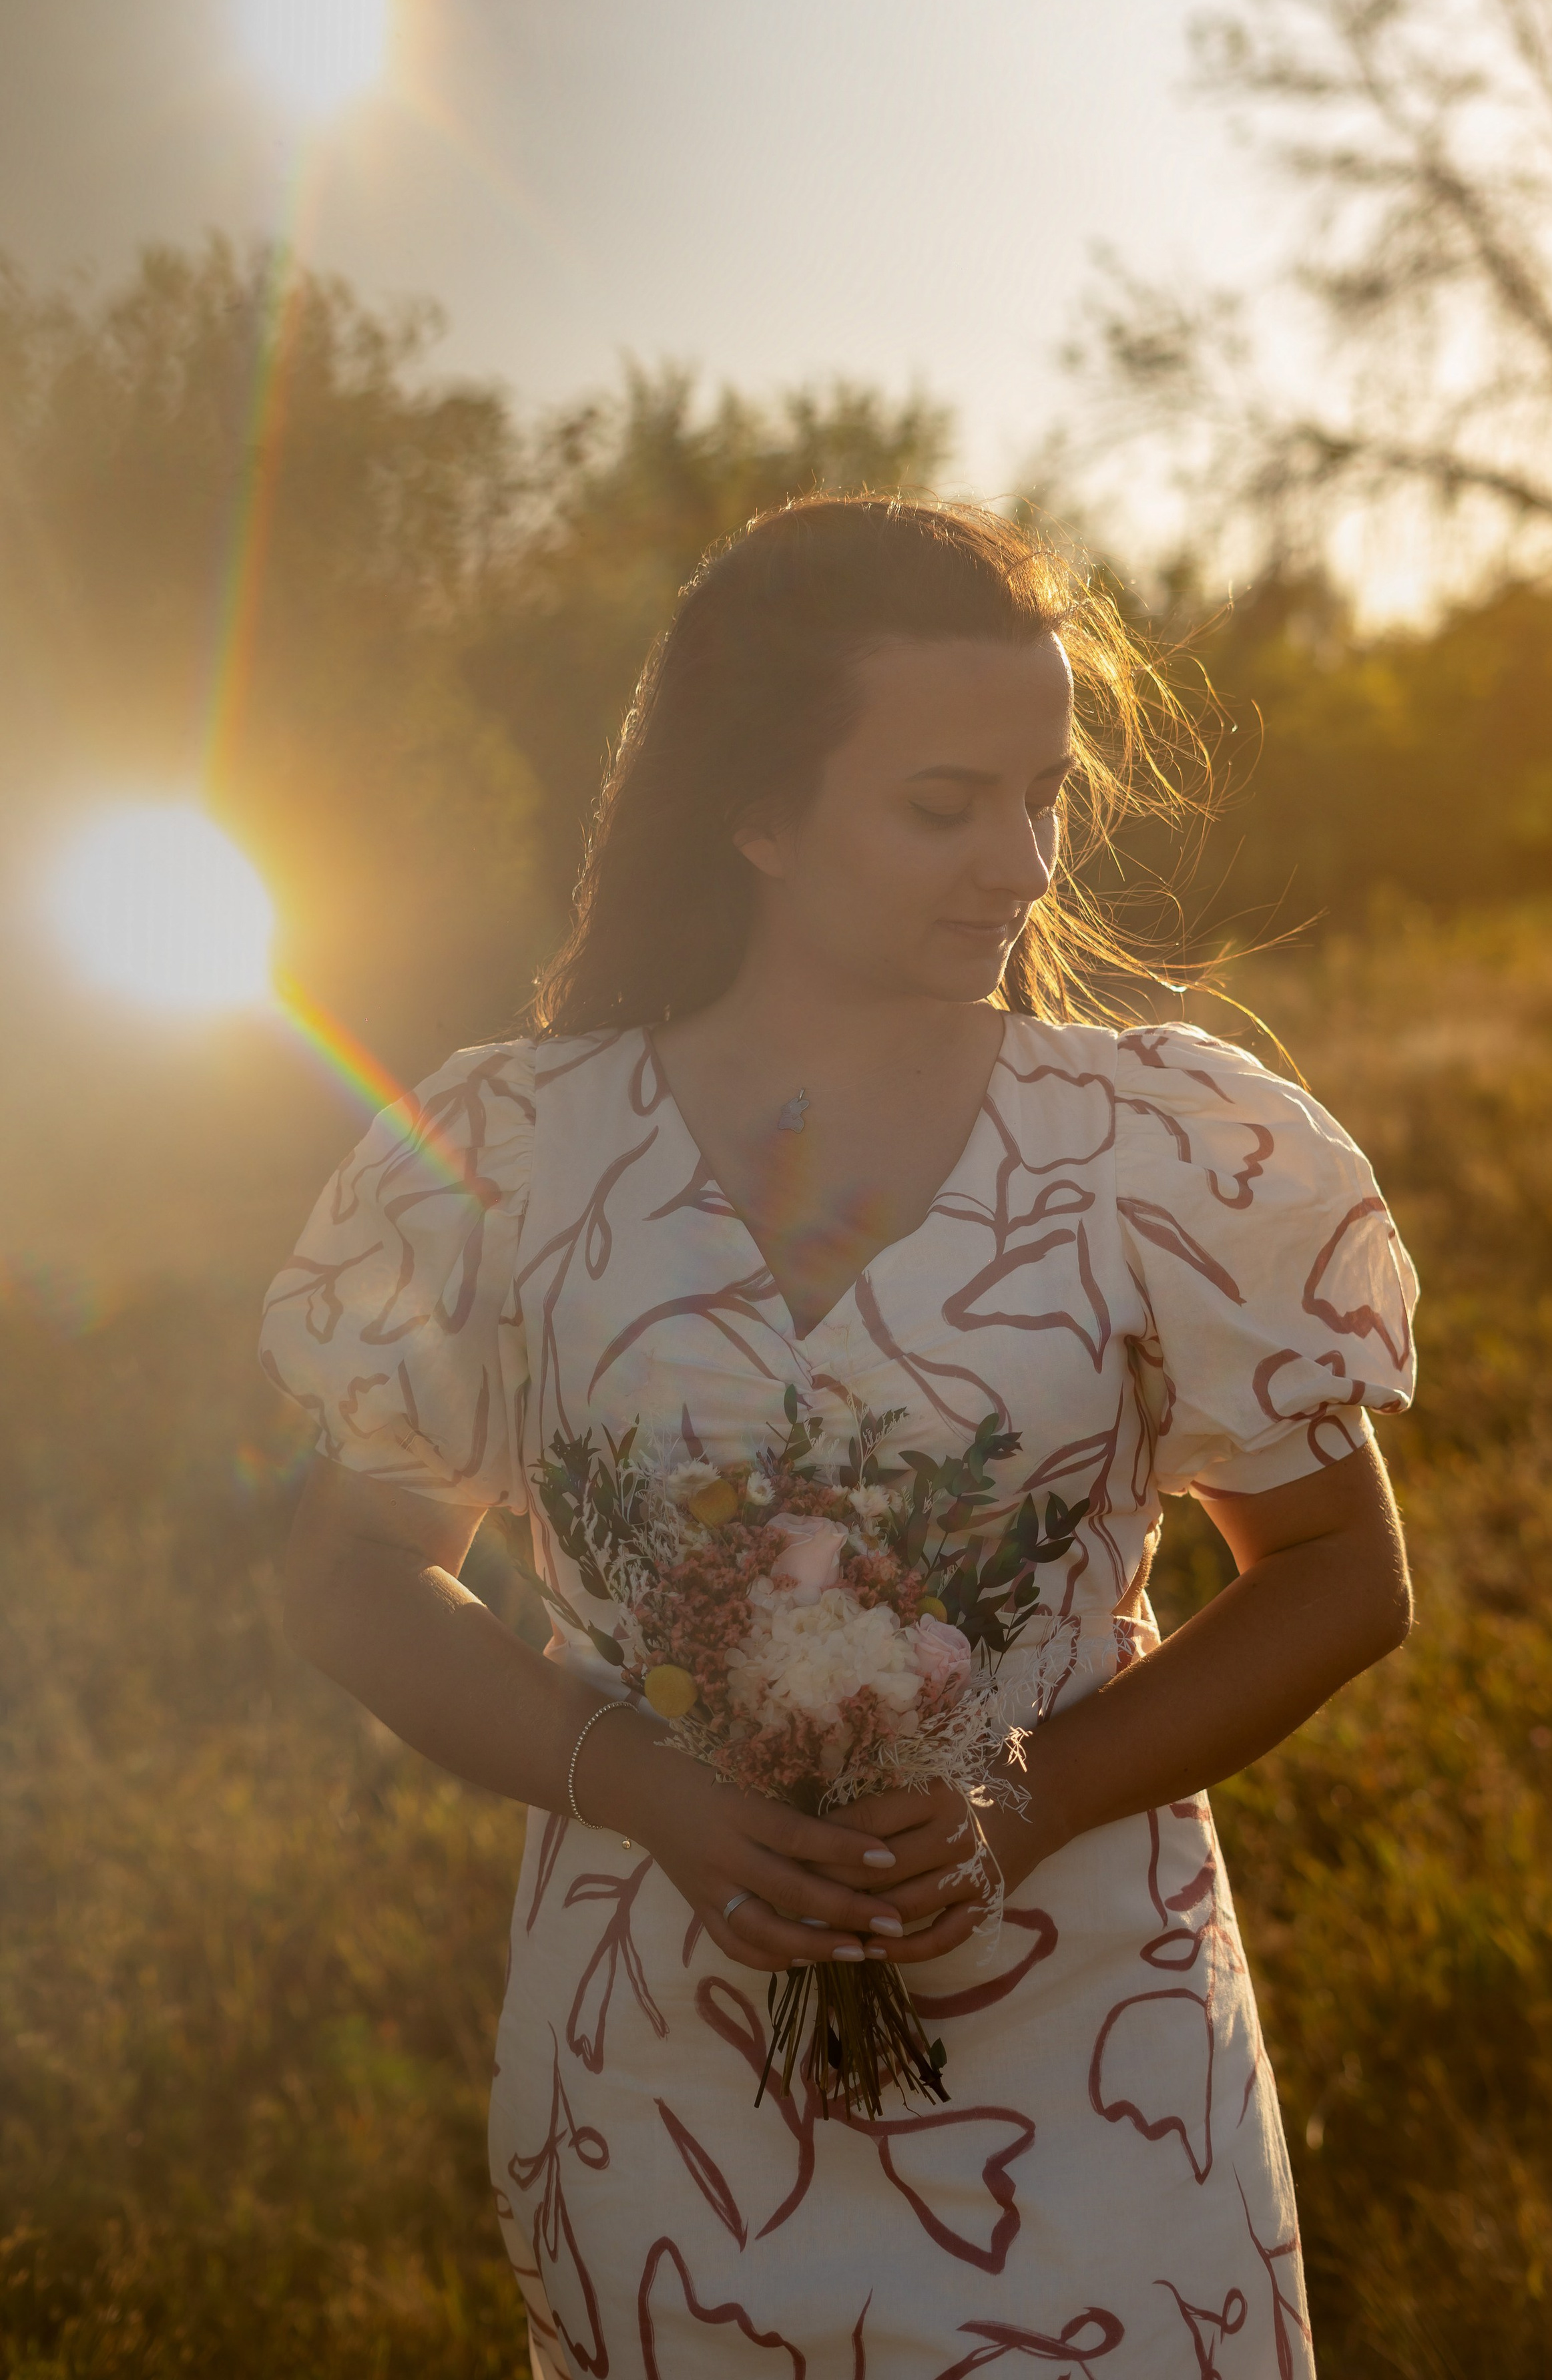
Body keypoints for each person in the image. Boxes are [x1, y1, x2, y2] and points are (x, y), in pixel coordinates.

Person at [262, 495, 1416, 2379]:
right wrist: (640, 1780)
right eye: (946, 804)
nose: (1024, 864)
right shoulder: (514, 1156)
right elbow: (352, 1573)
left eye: (1045, 795)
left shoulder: (1160, 1153)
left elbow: (1346, 1577)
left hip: (1093, 2076)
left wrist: (1022, 1795)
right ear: (757, 811)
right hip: (658, 2071)